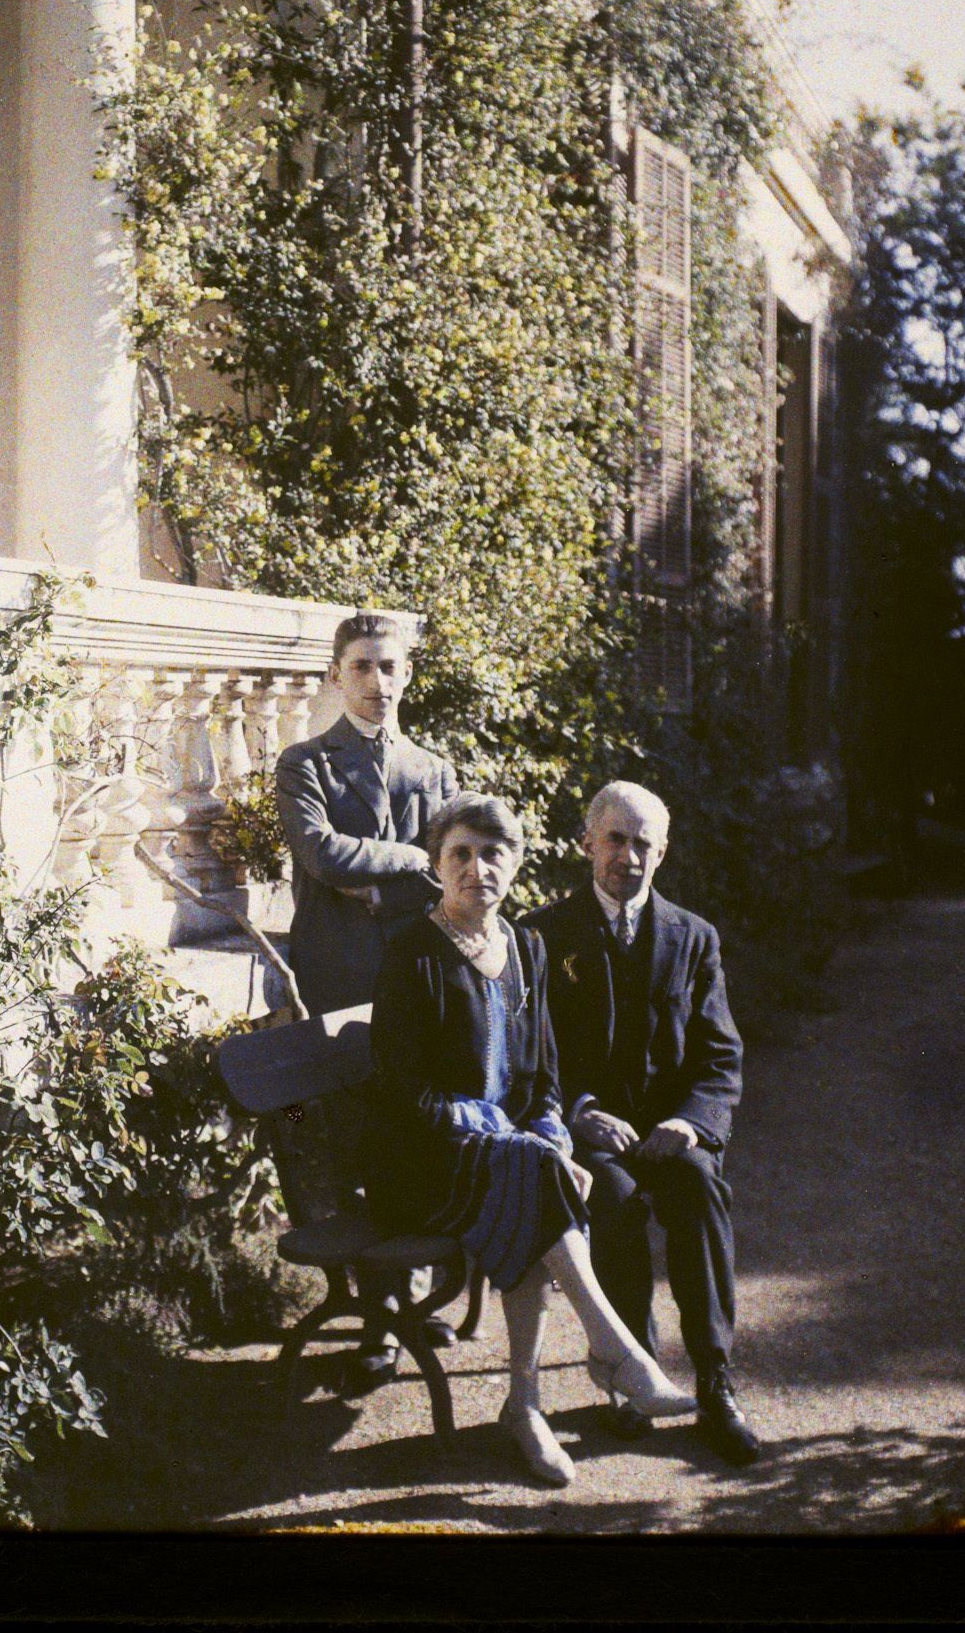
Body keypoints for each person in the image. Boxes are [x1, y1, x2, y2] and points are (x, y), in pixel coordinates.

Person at [367, 793, 696, 1489]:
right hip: (423, 1166)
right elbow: (404, 1091)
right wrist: (521, 1140)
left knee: (531, 1173)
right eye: (460, 853)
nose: (476, 868)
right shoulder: (410, 952)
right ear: (434, 865)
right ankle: (613, 1354)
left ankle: (527, 1406)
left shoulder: (526, 949)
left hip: (507, 1163)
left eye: (494, 854)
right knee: (531, 1171)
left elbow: (543, 1076)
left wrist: (547, 1133)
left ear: (515, 866)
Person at [530, 781, 761, 1466]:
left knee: (698, 1188)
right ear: (586, 844)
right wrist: (577, 1112)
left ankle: (715, 1382)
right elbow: (528, 1054)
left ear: (661, 855)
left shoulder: (693, 937)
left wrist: (691, 1124)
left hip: (666, 1130)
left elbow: (720, 1055)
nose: (627, 857)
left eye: (643, 845)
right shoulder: (542, 936)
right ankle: (629, 1376)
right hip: (589, 1133)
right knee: (616, 1200)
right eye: (615, 840)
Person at [275, 609, 459, 1394]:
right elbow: (320, 853)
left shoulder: (435, 771)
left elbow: (454, 872)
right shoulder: (307, 763)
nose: (378, 683)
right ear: (336, 675)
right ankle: (376, 1319)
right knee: (353, 1139)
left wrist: (379, 877)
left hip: (417, 979)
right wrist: (411, 860)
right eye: (361, 667)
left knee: (418, 1130)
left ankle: (415, 1294)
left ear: (406, 673)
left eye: (390, 667)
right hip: (339, 978)